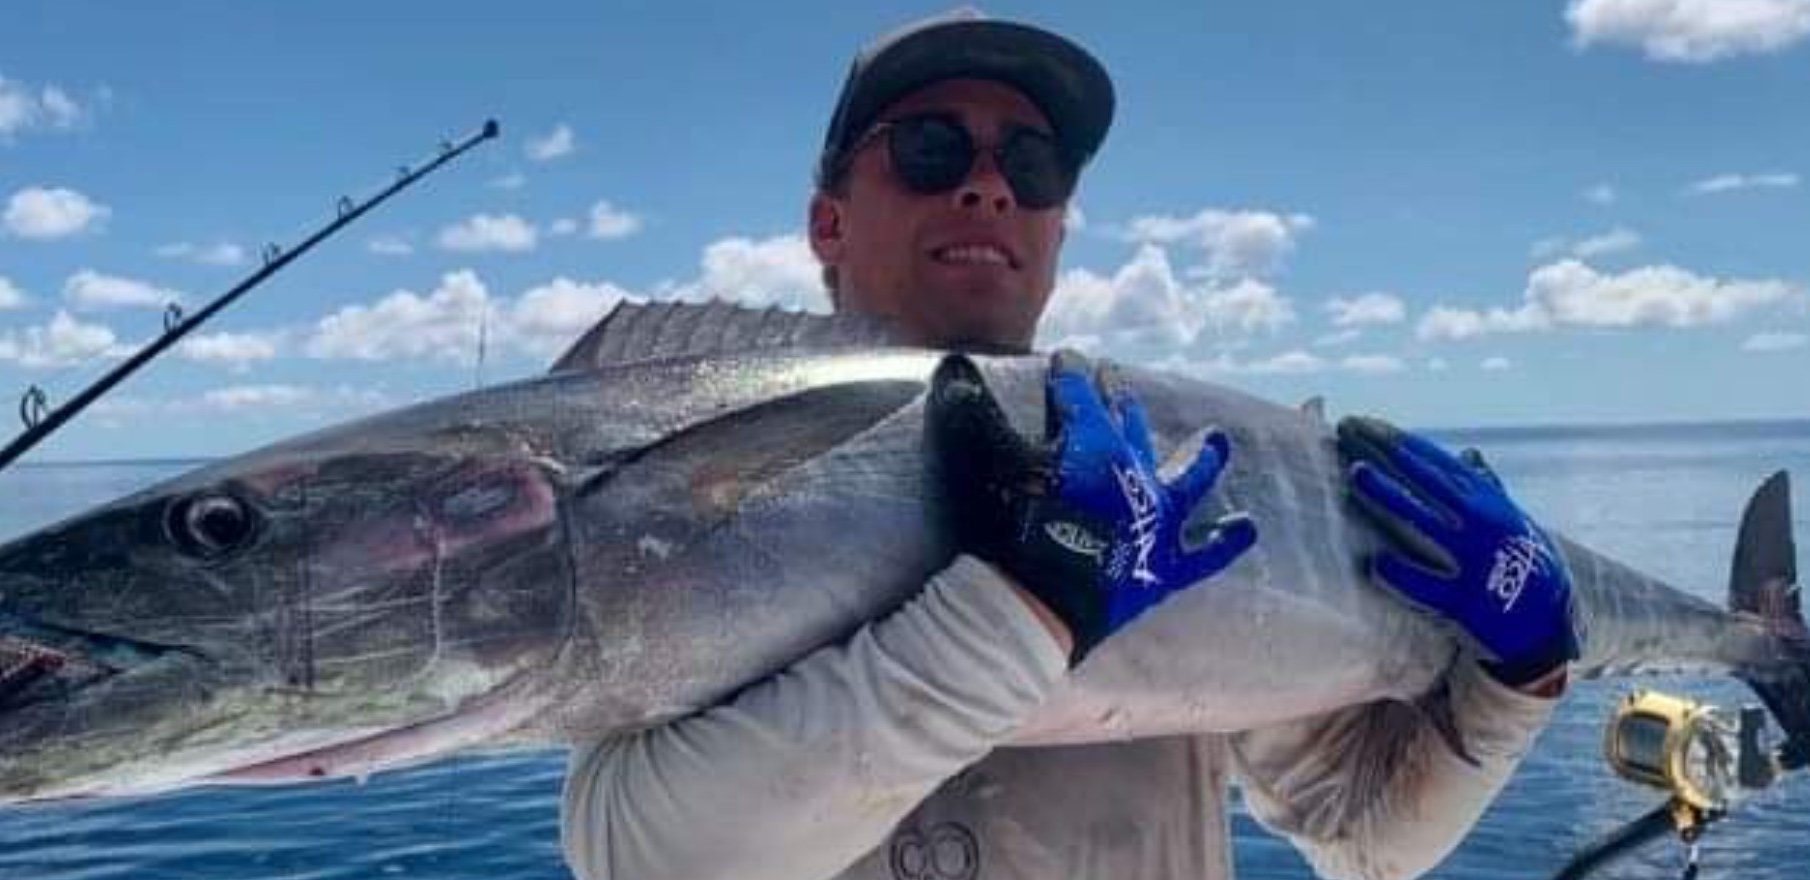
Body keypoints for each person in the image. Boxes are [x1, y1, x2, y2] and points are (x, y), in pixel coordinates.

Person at [560, 11, 1575, 880]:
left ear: (1055, 226)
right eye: (930, 149)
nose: (989, 189)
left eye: (1033, 166)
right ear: (827, 222)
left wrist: (1520, 673)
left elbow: (1365, 833)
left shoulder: (1164, 484)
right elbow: (644, 854)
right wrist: (1030, 608)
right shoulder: (702, 475)